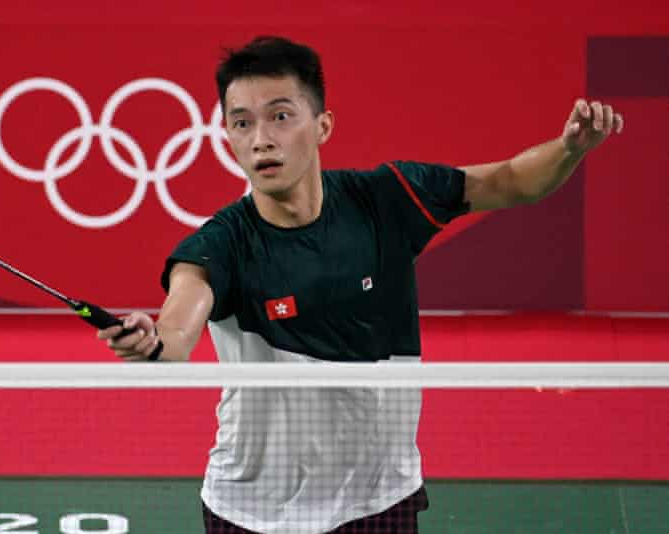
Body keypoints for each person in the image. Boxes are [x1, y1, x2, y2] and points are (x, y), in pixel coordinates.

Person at [98, 36, 623, 534]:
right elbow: (176, 328)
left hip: (378, 498)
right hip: (258, 511)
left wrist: (570, 148)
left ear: (322, 125)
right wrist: (151, 340)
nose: (261, 139)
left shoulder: (387, 200)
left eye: (281, 116)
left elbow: (509, 181)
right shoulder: (223, 243)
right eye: (241, 123)